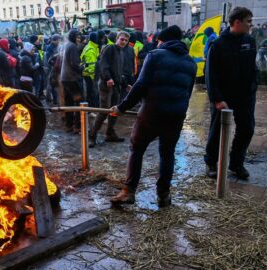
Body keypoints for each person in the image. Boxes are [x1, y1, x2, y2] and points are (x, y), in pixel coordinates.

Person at [109, 25, 197, 207]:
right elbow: (187, 93)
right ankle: (163, 195)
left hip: (152, 114)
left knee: (137, 148)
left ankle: (128, 191)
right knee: (167, 154)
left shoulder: (155, 56)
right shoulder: (191, 63)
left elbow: (140, 86)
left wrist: (121, 108)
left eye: (158, 41)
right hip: (176, 116)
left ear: (162, 41)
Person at [204, 7, 257, 180]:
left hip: (246, 97)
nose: (251, 24)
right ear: (237, 22)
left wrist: (253, 87)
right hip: (224, 98)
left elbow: (252, 68)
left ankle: (236, 163)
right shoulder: (218, 44)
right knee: (217, 131)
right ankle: (212, 163)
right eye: (248, 21)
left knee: (247, 129)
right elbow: (211, 75)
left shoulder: (249, 41)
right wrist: (217, 99)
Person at [89, 31, 130, 148]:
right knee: (104, 110)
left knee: (114, 110)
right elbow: (103, 64)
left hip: (116, 85)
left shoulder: (121, 52)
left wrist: (125, 84)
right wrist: (108, 78)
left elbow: (119, 71)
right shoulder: (110, 48)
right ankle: (92, 135)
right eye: (122, 39)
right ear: (117, 38)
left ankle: (110, 133)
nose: (123, 42)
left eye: (126, 40)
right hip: (106, 84)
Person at [61, 29, 84, 133]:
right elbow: (74, 64)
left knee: (69, 102)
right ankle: (77, 126)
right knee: (79, 102)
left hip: (65, 78)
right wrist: (82, 67)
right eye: (77, 37)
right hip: (72, 78)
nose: (79, 39)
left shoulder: (67, 45)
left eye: (79, 37)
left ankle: (69, 125)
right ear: (73, 37)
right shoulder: (73, 46)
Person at [80, 32, 100, 108]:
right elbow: (91, 66)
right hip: (89, 75)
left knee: (90, 93)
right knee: (91, 93)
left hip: (87, 74)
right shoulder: (91, 49)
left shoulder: (91, 46)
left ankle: (90, 107)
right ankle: (91, 108)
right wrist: (94, 77)